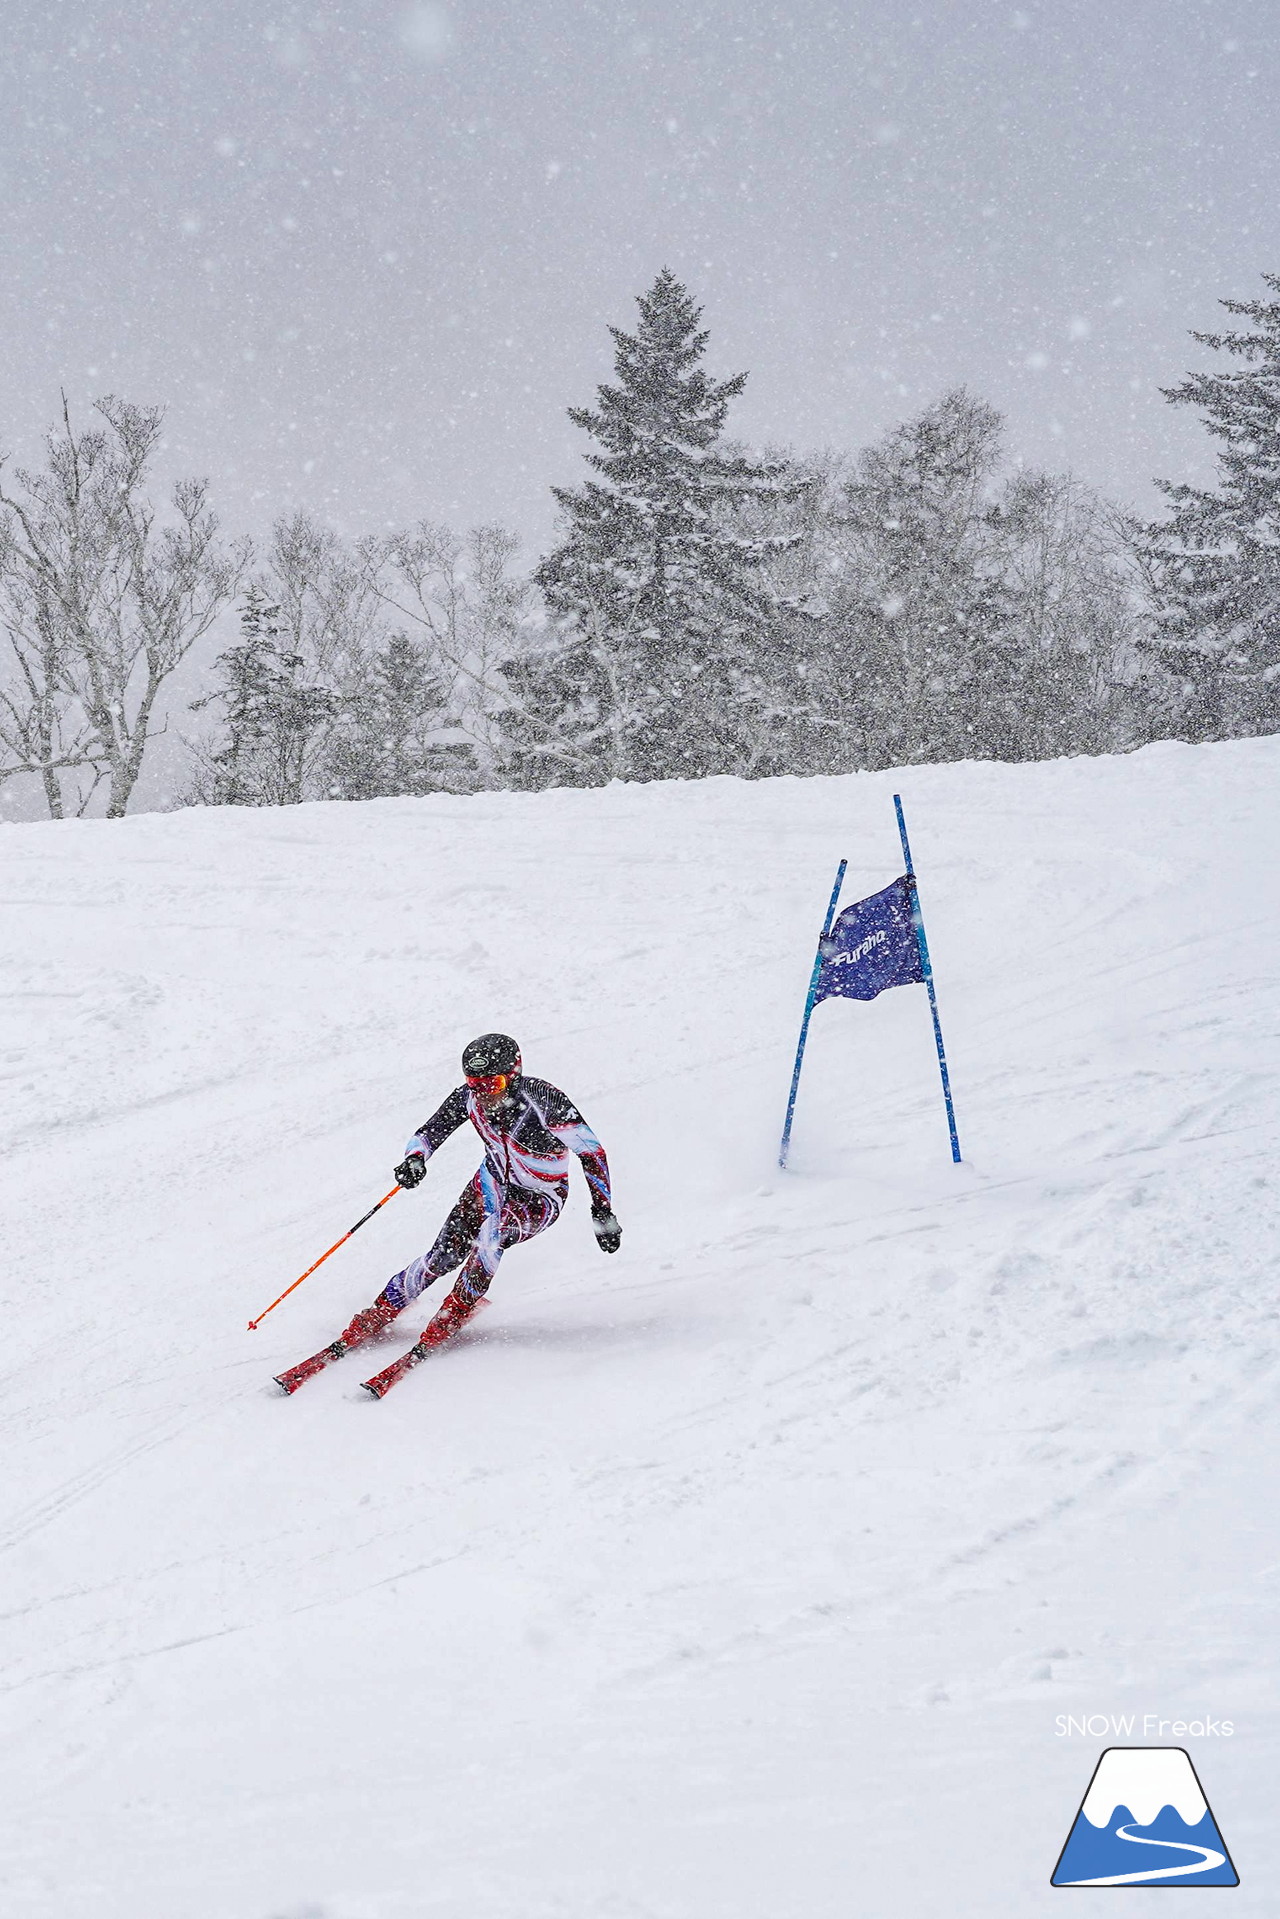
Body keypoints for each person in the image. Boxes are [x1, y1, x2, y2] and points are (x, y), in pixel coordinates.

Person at [333, 1033, 620, 1361]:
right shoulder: (469, 1098)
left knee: (491, 1237)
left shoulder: (544, 1100)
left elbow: (591, 1151)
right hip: (490, 1182)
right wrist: (415, 1158)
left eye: (492, 1084)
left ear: (513, 1076)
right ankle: (382, 1309)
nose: (483, 1094)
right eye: (475, 1084)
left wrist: (602, 1210)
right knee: (443, 1254)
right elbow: (430, 1132)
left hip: (541, 1196)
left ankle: (452, 1311)